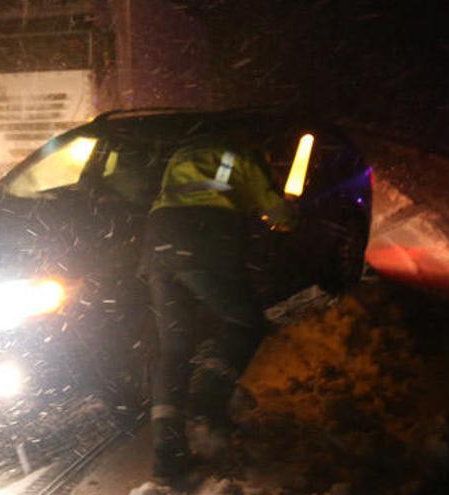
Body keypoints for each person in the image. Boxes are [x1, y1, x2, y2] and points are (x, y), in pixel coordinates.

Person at [130, 130, 297, 495]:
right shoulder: (245, 156)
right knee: (245, 322)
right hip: (205, 239)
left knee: (174, 350)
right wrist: (289, 211)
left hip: (158, 244)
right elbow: (280, 214)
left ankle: (167, 458)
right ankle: (207, 402)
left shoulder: (183, 152)